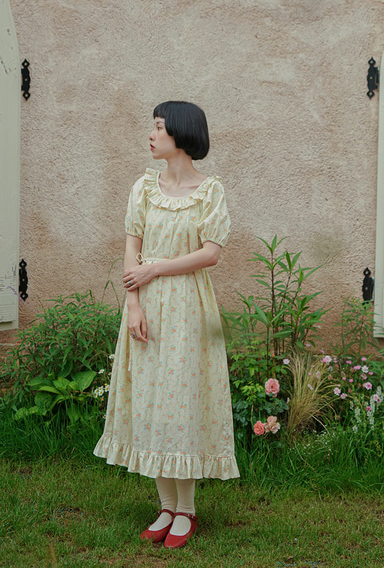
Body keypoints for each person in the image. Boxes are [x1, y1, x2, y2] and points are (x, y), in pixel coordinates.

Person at [94, 100, 239, 549]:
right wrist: (132, 303)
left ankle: (187, 511)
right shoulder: (142, 189)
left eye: (159, 127)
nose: (151, 135)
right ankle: (164, 507)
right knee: (153, 401)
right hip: (147, 308)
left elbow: (212, 252)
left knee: (183, 401)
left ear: (181, 134)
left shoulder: (209, 191)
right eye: (152, 127)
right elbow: (131, 251)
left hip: (189, 307)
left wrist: (156, 270)